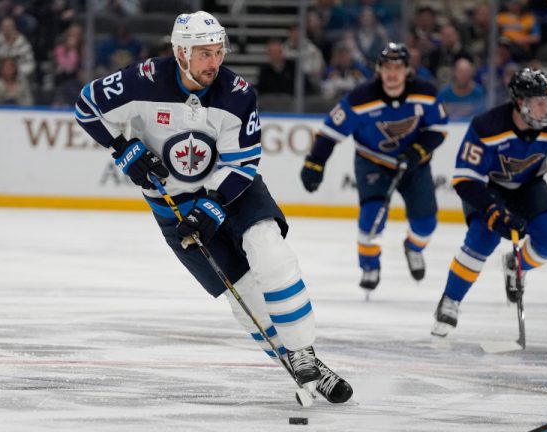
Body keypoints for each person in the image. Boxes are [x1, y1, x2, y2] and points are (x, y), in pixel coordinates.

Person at [74, 11, 352, 404]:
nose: (214, 62)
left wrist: (215, 204)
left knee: (269, 250)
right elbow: (87, 106)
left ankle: (304, 350)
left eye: (218, 51)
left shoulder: (237, 93)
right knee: (244, 295)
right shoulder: (141, 80)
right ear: (180, 52)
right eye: (204, 53)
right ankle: (301, 364)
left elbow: (243, 163)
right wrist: (123, 148)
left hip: (235, 192)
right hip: (173, 207)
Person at [431, 68, 547, 337]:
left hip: (528, 186)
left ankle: (516, 265)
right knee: (482, 238)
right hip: (487, 188)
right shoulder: (487, 126)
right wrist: (492, 210)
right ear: (521, 102)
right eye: (539, 103)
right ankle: (451, 299)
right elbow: (465, 180)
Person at [300, 42, 448, 291]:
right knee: (371, 219)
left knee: (426, 224)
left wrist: (417, 151)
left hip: (414, 165)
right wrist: (315, 163)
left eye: (397, 67)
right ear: (379, 69)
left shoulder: (425, 92)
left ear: (407, 70)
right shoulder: (360, 99)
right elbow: (329, 132)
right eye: (386, 67)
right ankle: (370, 265)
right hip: (373, 162)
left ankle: (413, 247)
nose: (392, 73)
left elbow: (438, 129)